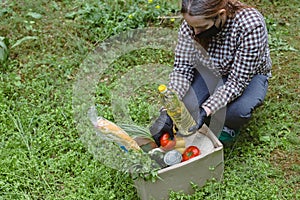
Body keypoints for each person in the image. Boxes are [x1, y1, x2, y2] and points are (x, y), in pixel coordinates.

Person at [151, 0, 271, 145]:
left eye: (201, 27)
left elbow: (236, 82)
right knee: (186, 107)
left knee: (237, 112)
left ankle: (229, 126)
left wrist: (206, 110)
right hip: (210, 71)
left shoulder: (250, 25)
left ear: (220, 15)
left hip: (247, 76)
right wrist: (167, 110)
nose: (195, 32)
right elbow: (182, 69)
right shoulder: (192, 25)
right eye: (191, 26)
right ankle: (207, 112)